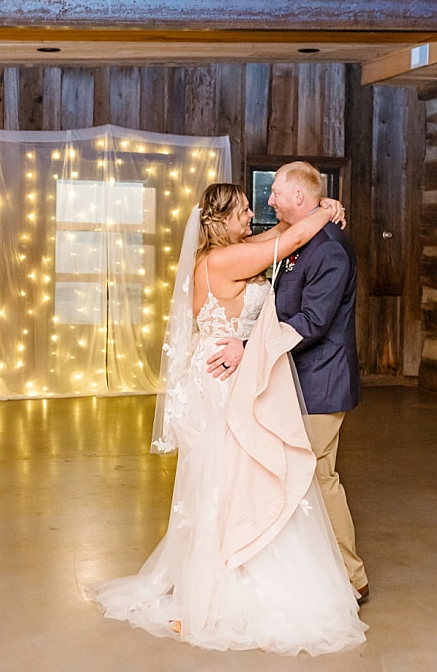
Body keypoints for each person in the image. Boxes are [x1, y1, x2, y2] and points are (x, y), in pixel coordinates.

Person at [88, 184, 367, 656]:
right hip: (220, 381)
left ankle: (232, 565)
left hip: (231, 375)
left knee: (235, 478)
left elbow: (281, 232)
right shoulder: (220, 262)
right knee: (227, 479)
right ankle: (220, 585)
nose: (253, 214)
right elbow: (291, 241)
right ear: (222, 221)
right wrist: (320, 210)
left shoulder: (233, 251)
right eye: (243, 210)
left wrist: (327, 205)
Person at [267, 161, 367, 601]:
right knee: (299, 477)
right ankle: (307, 568)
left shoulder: (328, 249)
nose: (269, 200)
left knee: (319, 476)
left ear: (300, 200)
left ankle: (351, 577)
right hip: (299, 379)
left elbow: (313, 321)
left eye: (276, 193)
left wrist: (254, 352)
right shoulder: (300, 236)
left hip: (321, 382)